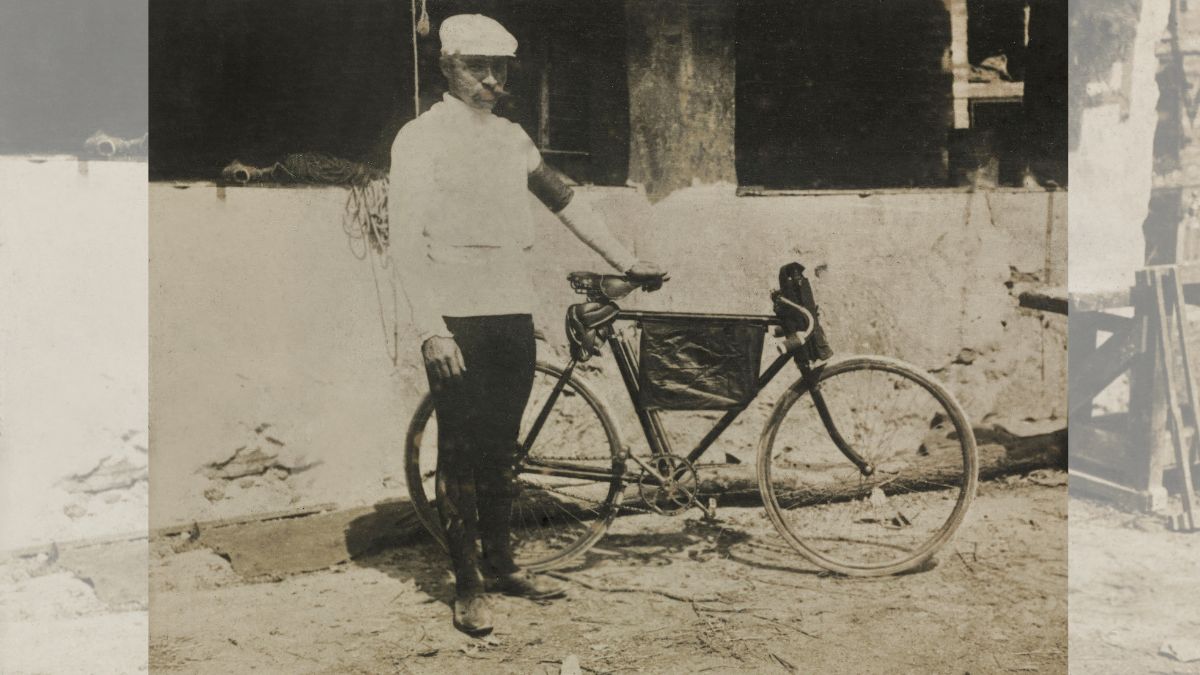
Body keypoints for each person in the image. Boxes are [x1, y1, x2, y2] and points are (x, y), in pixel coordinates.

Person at [387, 14, 667, 636]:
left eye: (500, 69)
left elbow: (564, 199)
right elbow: (404, 244)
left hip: (510, 307)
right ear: (447, 67)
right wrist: (431, 329)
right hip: (456, 315)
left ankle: (504, 562)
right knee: (460, 448)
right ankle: (468, 585)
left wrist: (625, 260)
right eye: (475, 67)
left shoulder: (513, 139)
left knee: (503, 448)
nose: (490, 80)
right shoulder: (419, 139)